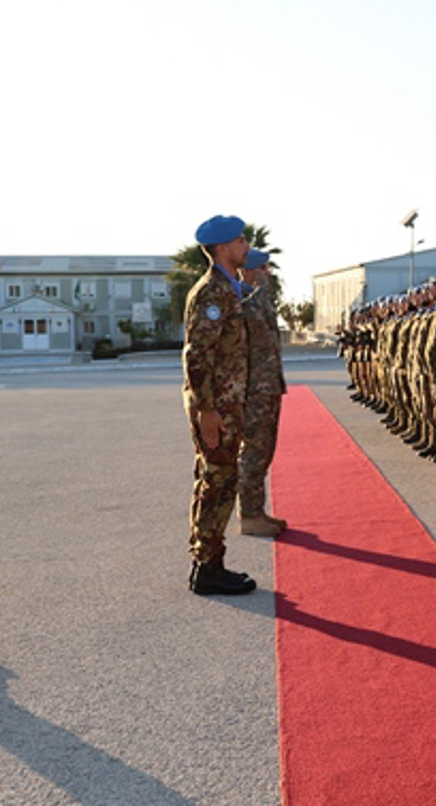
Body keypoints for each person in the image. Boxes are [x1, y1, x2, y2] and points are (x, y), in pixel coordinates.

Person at [182, 215, 258, 596]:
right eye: (241, 240)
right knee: (216, 481)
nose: (247, 245)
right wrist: (206, 410)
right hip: (217, 405)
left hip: (226, 402)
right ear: (223, 247)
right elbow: (197, 355)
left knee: (219, 480)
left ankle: (210, 562)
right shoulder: (212, 292)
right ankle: (208, 567)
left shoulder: (228, 289)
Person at [236, 248, 288, 536]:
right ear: (252, 270)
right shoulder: (244, 302)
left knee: (264, 451)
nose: (269, 274)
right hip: (254, 390)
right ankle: (250, 515)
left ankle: (257, 510)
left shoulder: (260, 302)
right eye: (264, 269)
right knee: (254, 453)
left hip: (267, 388)